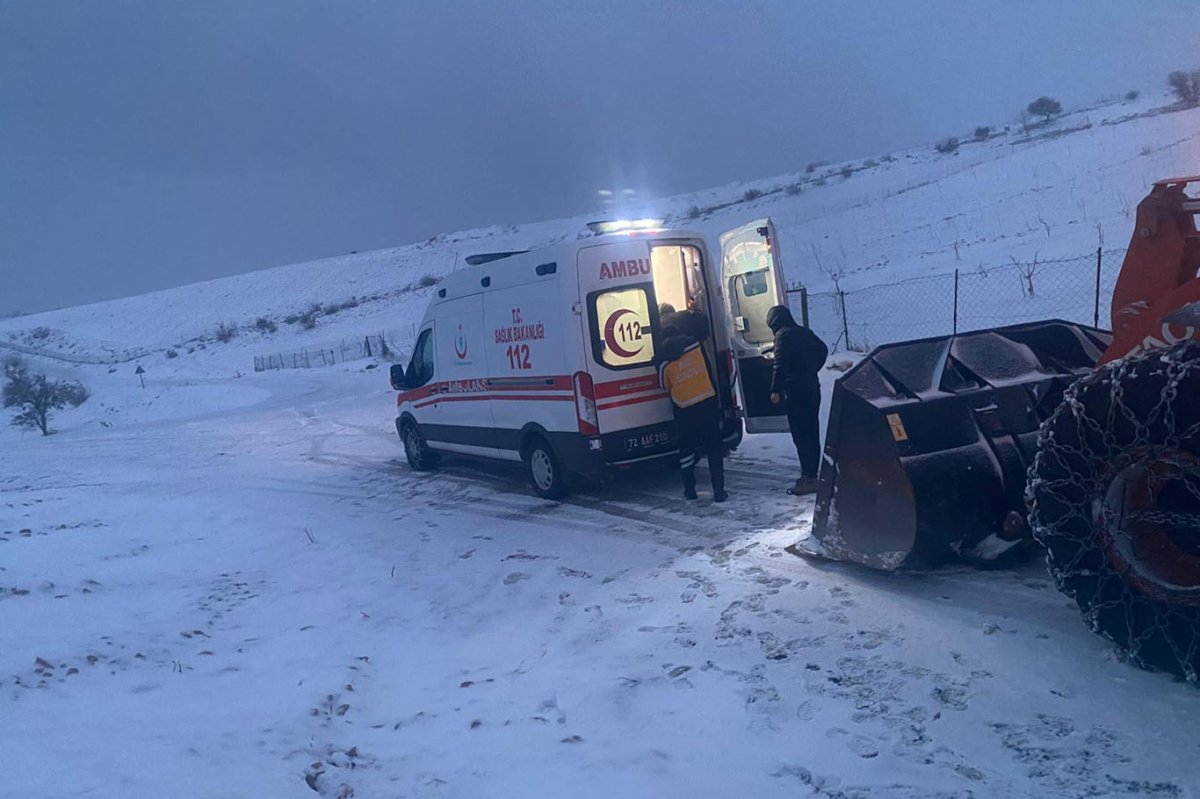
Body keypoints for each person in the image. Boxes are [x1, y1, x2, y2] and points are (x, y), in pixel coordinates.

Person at [658, 323, 727, 502]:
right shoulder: (696, 345)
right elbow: (709, 369)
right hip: (706, 401)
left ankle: (690, 490)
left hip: (684, 408)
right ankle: (719, 490)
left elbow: (663, 385)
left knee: (686, 450)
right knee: (713, 448)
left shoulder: (663, 359)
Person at [766, 305, 829, 495]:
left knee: (800, 435)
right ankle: (812, 473)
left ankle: (808, 478)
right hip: (812, 389)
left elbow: (779, 365)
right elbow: (823, 350)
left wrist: (775, 389)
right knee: (812, 432)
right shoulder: (804, 332)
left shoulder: (783, 336)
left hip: (796, 392)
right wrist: (811, 369)